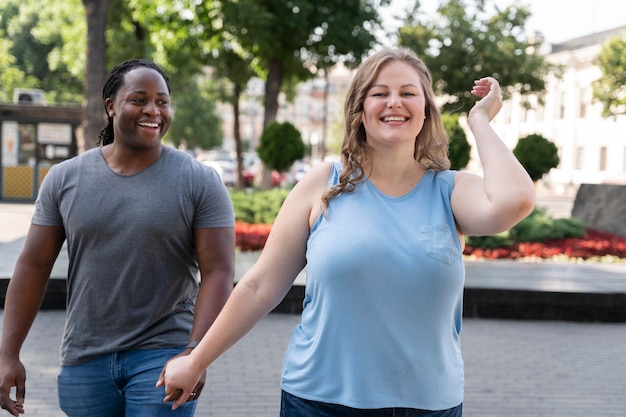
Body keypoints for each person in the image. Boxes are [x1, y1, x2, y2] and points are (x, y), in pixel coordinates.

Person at [157, 47, 536, 416]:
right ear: (360, 109)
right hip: (320, 401)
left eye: (408, 93)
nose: (394, 102)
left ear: (425, 110)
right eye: (380, 93)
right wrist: (197, 359)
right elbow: (259, 287)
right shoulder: (322, 183)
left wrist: (480, 122)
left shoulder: (450, 190)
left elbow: (516, 200)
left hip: (427, 404)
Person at [0, 59, 235, 417]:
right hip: (84, 358)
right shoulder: (64, 179)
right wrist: (7, 354)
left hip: (162, 356)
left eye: (162, 101)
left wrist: (195, 352)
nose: (153, 110)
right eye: (139, 100)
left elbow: (218, 271)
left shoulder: (199, 181)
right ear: (111, 106)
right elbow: (33, 264)